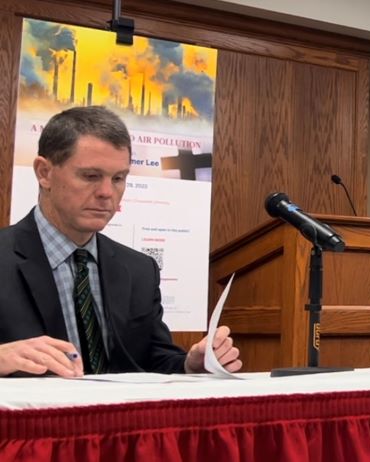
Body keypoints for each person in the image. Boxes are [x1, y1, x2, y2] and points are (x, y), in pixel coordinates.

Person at [0, 106, 242, 378]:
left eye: (118, 179)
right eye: (90, 176)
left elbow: (153, 360)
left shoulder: (138, 269)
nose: (106, 193)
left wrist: (191, 364)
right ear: (44, 173)